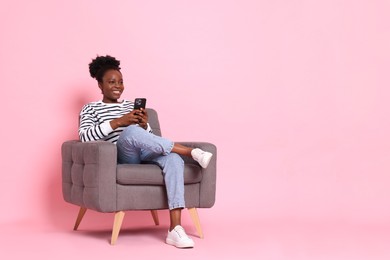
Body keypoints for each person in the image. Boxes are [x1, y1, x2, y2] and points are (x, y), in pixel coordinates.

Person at [79, 55, 213, 248]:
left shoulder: (129, 106)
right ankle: (191, 152)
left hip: (145, 152)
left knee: (173, 159)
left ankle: (175, 229)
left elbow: (150, 138)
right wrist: (119, 122)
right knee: (131, 131)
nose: (118, 85)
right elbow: (85, 137)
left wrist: (144, 125)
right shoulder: (90, 109)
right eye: (111, 82)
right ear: (100, 85)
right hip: (122, 154)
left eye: (121, 81)